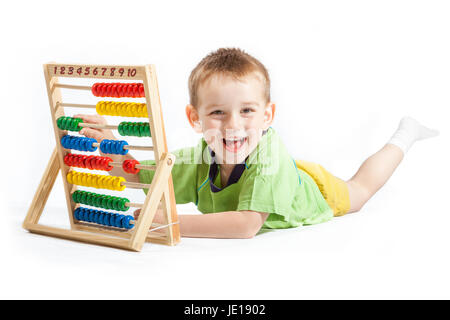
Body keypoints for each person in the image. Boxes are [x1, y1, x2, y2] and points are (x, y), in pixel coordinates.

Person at [76, 47, 439, 239]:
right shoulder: (201, 156)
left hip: (316, 191)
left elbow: (247, 225)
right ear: (195, 119)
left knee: (359, 191)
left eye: (247, 110)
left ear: (267, 116)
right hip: (285, 175)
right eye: (218, 112)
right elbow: (142, 176)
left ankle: (404, 134)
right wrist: (111, 148)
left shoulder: (266, 157)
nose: (233, 125)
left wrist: (169, 222)